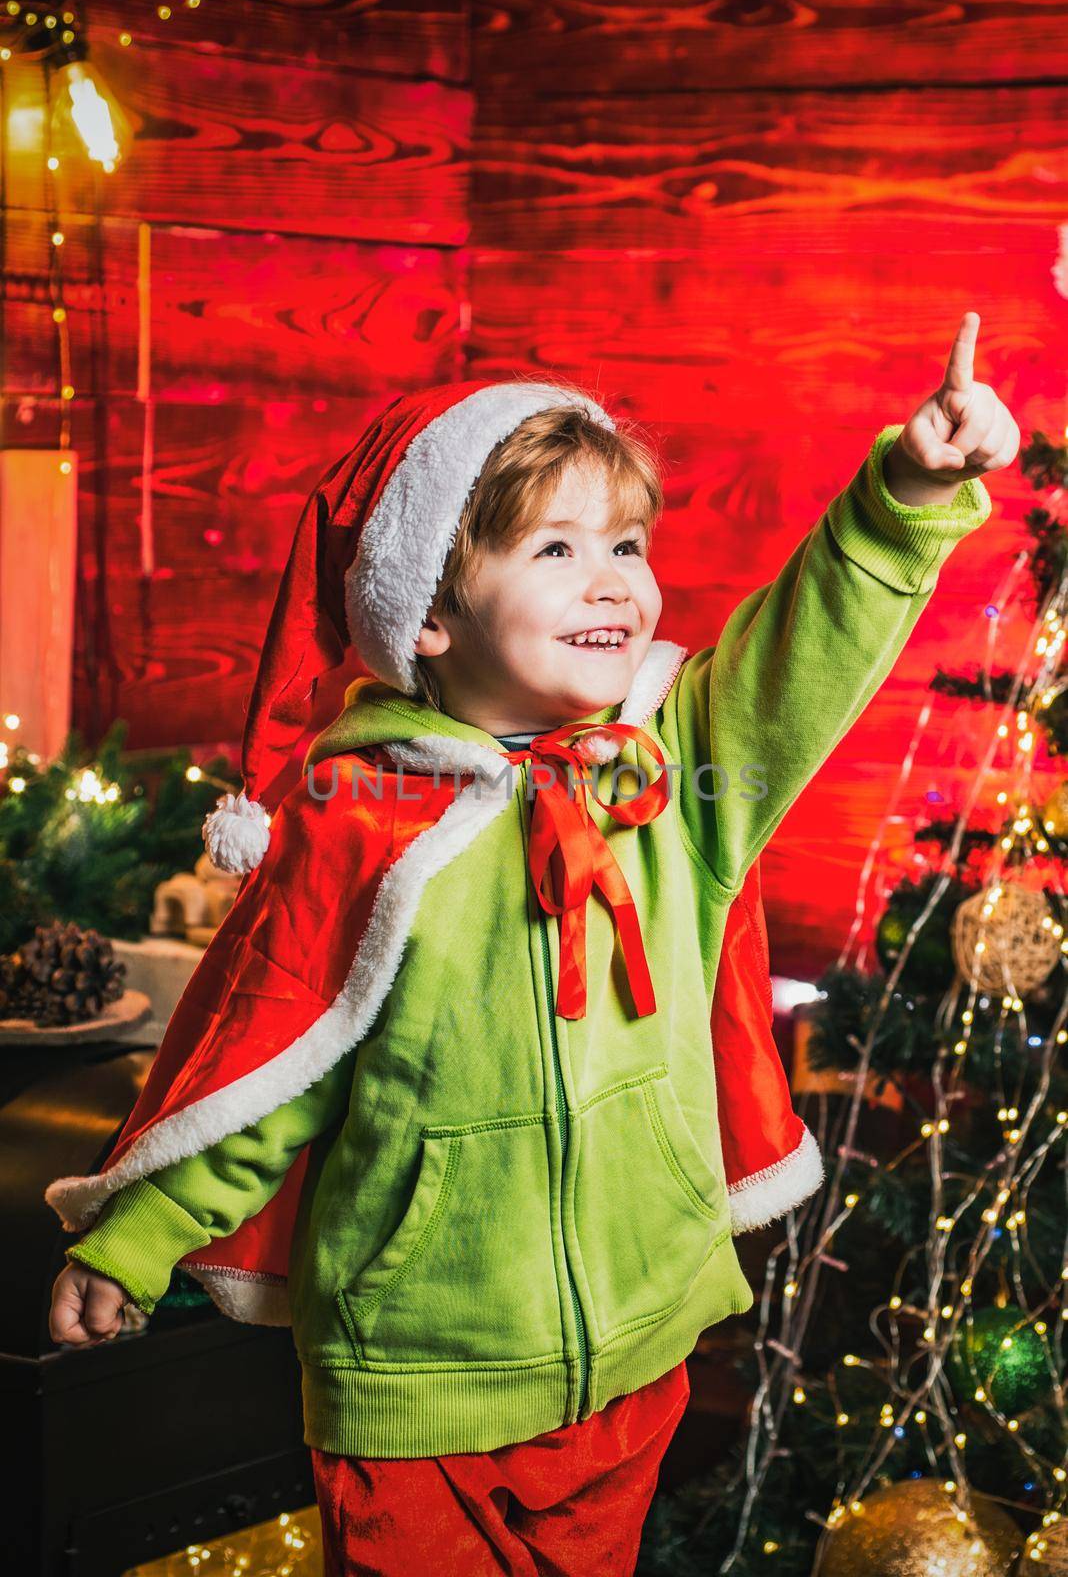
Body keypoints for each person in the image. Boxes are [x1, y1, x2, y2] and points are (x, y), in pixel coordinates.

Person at [46, 316, 1016, 1574]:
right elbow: (265, 1065)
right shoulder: (362, 826)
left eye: (625, 544)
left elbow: (803, 650)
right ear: (430, 615)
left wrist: (906, 496)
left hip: (635, 1350)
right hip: (417, 1382)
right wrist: (132, 1237)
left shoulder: (678, 780)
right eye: (556, 549)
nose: (611, 578)